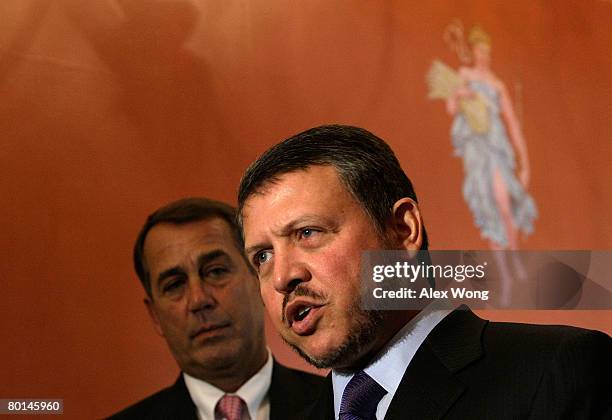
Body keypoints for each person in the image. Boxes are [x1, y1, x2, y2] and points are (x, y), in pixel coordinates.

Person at [237, 125, 611, 419]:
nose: (283, 276)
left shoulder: (554, 370)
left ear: (404, 230)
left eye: (308, 233)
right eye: (263, 257)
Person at [109, 198, 323, 419]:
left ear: (259, 279)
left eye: (216, 272)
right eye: (174, 285)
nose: (199, 300)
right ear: (155, 316)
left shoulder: (341, 408)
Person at [445, 25, 537, 250]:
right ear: (474, 51)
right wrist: (461, 93)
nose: (483, 56)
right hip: (477, 149)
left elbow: (513, 124)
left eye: (486, 51)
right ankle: (502, 270)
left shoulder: (497, 85)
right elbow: (451, 107)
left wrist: (525, 163)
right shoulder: (465, 76)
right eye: (479, 51)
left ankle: (514, 256)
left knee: (504, 203)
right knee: (487, 207)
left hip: (497, 147)